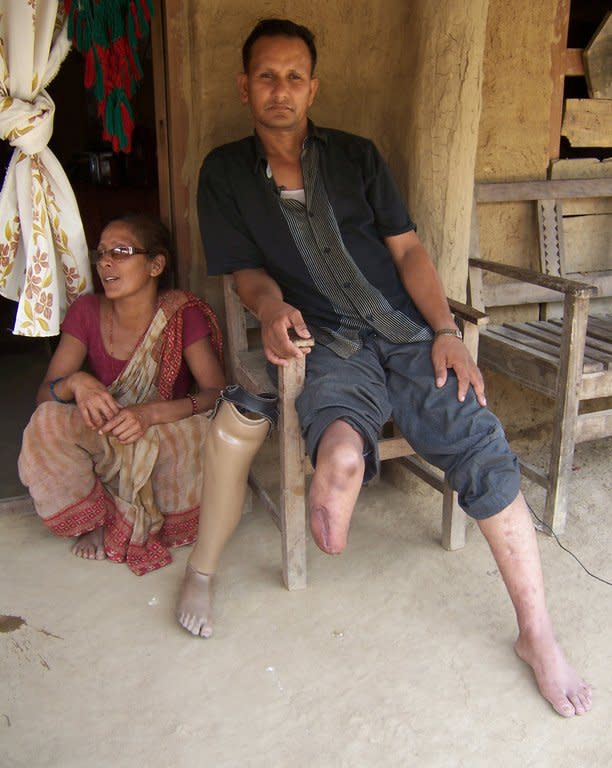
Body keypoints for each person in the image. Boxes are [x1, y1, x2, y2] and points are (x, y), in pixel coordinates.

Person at [196, 18, 593, 716]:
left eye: (294, 77)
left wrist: (445, 330)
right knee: (340, 427)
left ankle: (538, 634)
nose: (281, 91)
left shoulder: (356, 156)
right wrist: (268, 309)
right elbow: (244, 274)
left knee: (478, 440)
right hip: (328, 339)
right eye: (267, 76)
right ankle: (340, 468)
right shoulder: (225, 173)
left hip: (406, 333)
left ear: (312, 86)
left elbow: (407, 251)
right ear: (244, 86)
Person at [18, 213, 226, 575]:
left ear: (155, 264)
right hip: (105, 434)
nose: (106, 262)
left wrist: (149, 414)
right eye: (101, 254)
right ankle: (98, 519)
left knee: (200, 432)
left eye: (121, 251)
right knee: (46, 422)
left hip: (157, 436)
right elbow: (44, 397)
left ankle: (146, 515)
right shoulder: (86, 311)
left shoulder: (182, 313)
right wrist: (76, 383)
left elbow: (216, 394)